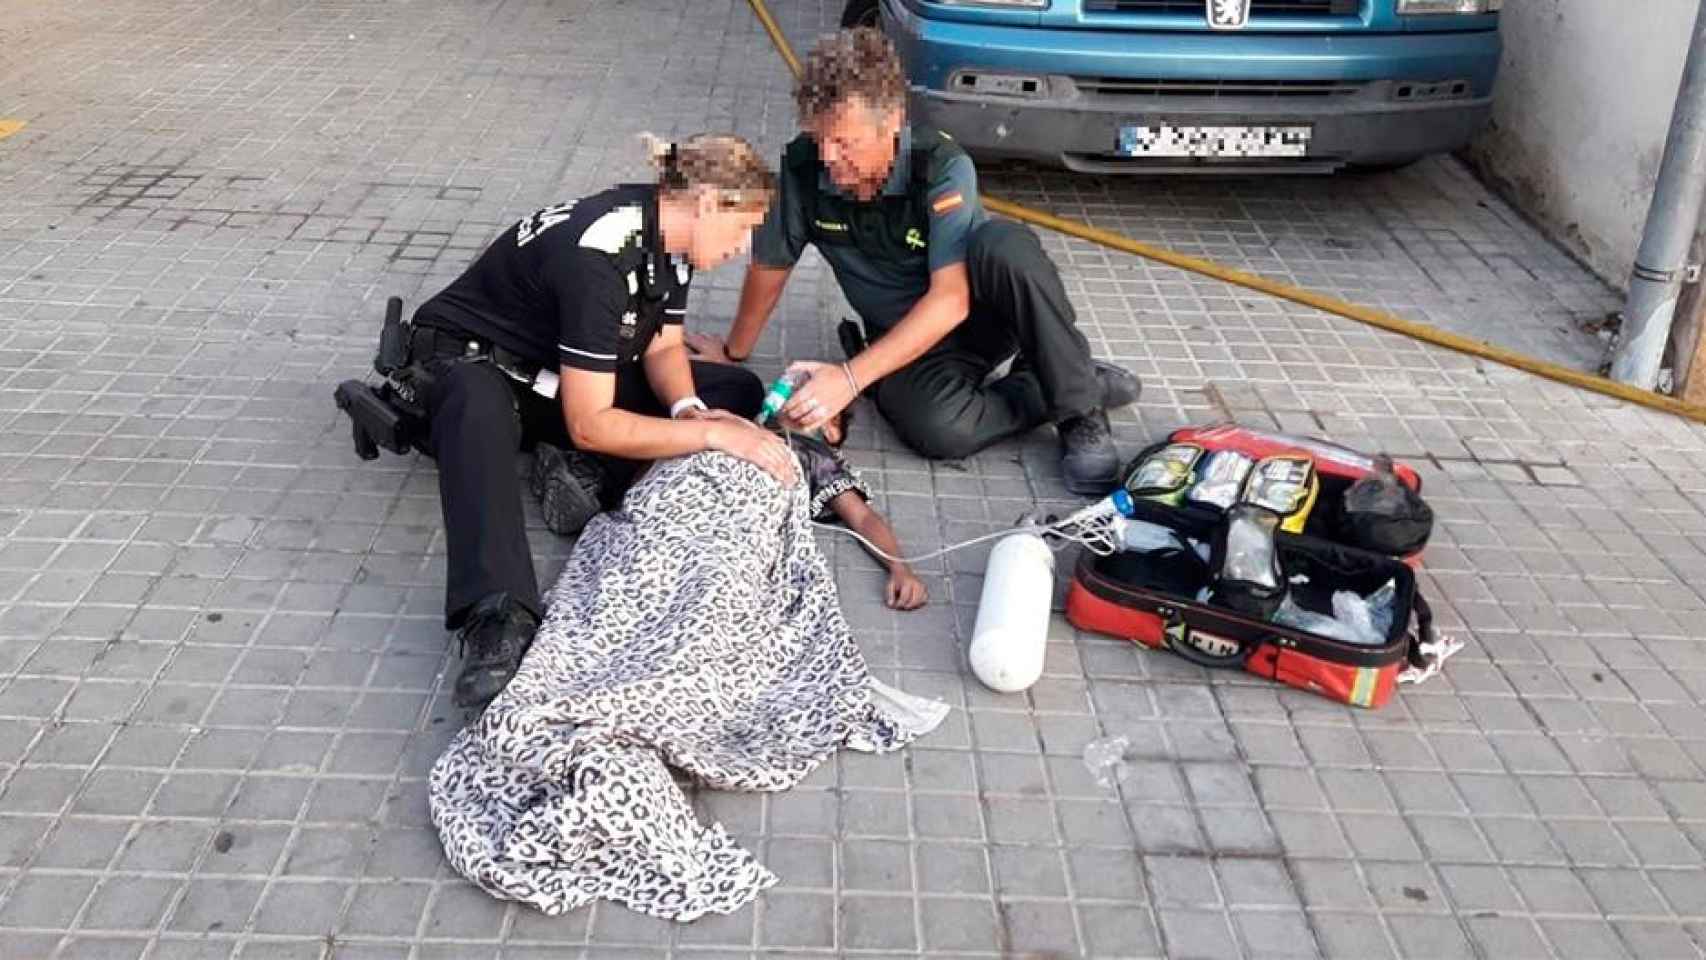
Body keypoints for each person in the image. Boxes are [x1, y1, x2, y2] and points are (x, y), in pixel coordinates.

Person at [405, 133, 797, 711]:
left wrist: (691, 410)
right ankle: (496, 615)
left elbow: (663, 348)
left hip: (548, 370)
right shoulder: (600, 256)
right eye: (742, 230)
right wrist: (713, 436)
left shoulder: (669, 234)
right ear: (708, 204)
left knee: (732, 388)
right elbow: (591, 420)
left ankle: (572, 469)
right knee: (478, 404)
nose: (743, 248)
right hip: (466, 364)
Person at [698, 28, 1141, 497]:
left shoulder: (942, 165)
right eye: (819, 138)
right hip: (906, 338)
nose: (829, 156)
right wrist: (733, 353)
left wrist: (849, 379)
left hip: (979, 315)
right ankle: (1066, 377)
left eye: (844, 142)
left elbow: (950, 300)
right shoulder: (804, 167)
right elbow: (770, 264)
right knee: (938, 432)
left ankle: (1080, 414)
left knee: (1005, 246)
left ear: (891, 121)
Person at [685, 333, 927, 610]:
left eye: (809, 388)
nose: (792, 386)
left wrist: (900, 570)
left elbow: (862, 518)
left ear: (831, 429)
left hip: (727, 522)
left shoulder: (816, 458)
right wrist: (722, 360)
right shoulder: (749, 419)